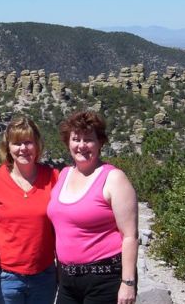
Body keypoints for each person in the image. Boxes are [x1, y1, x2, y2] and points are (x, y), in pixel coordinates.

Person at [47, 110, 138, 304]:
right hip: (67, 280)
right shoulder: (63, 175)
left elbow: (130, 235)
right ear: (67, 142)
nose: (81, 145)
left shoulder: (114, 178)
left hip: (105, 278)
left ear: (100, 143)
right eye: (76, 139)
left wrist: (128, 283)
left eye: (88, 139)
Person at [0, 117, 59, 304]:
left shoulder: (53, 178)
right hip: (5, 278)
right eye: (17, 143)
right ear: (8, 147)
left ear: (37, 145)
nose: (23, 148)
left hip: (44, 277)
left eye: (28, 142)